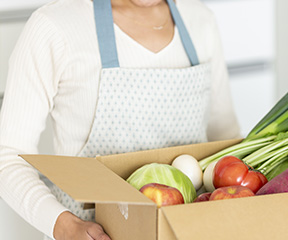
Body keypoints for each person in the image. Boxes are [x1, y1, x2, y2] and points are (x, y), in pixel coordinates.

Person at [0, 0, 241, 239]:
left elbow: (227, 141)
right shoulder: (55, 26)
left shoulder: (200, 20)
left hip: (188, 232)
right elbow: (8, 156)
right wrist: (63, 226)